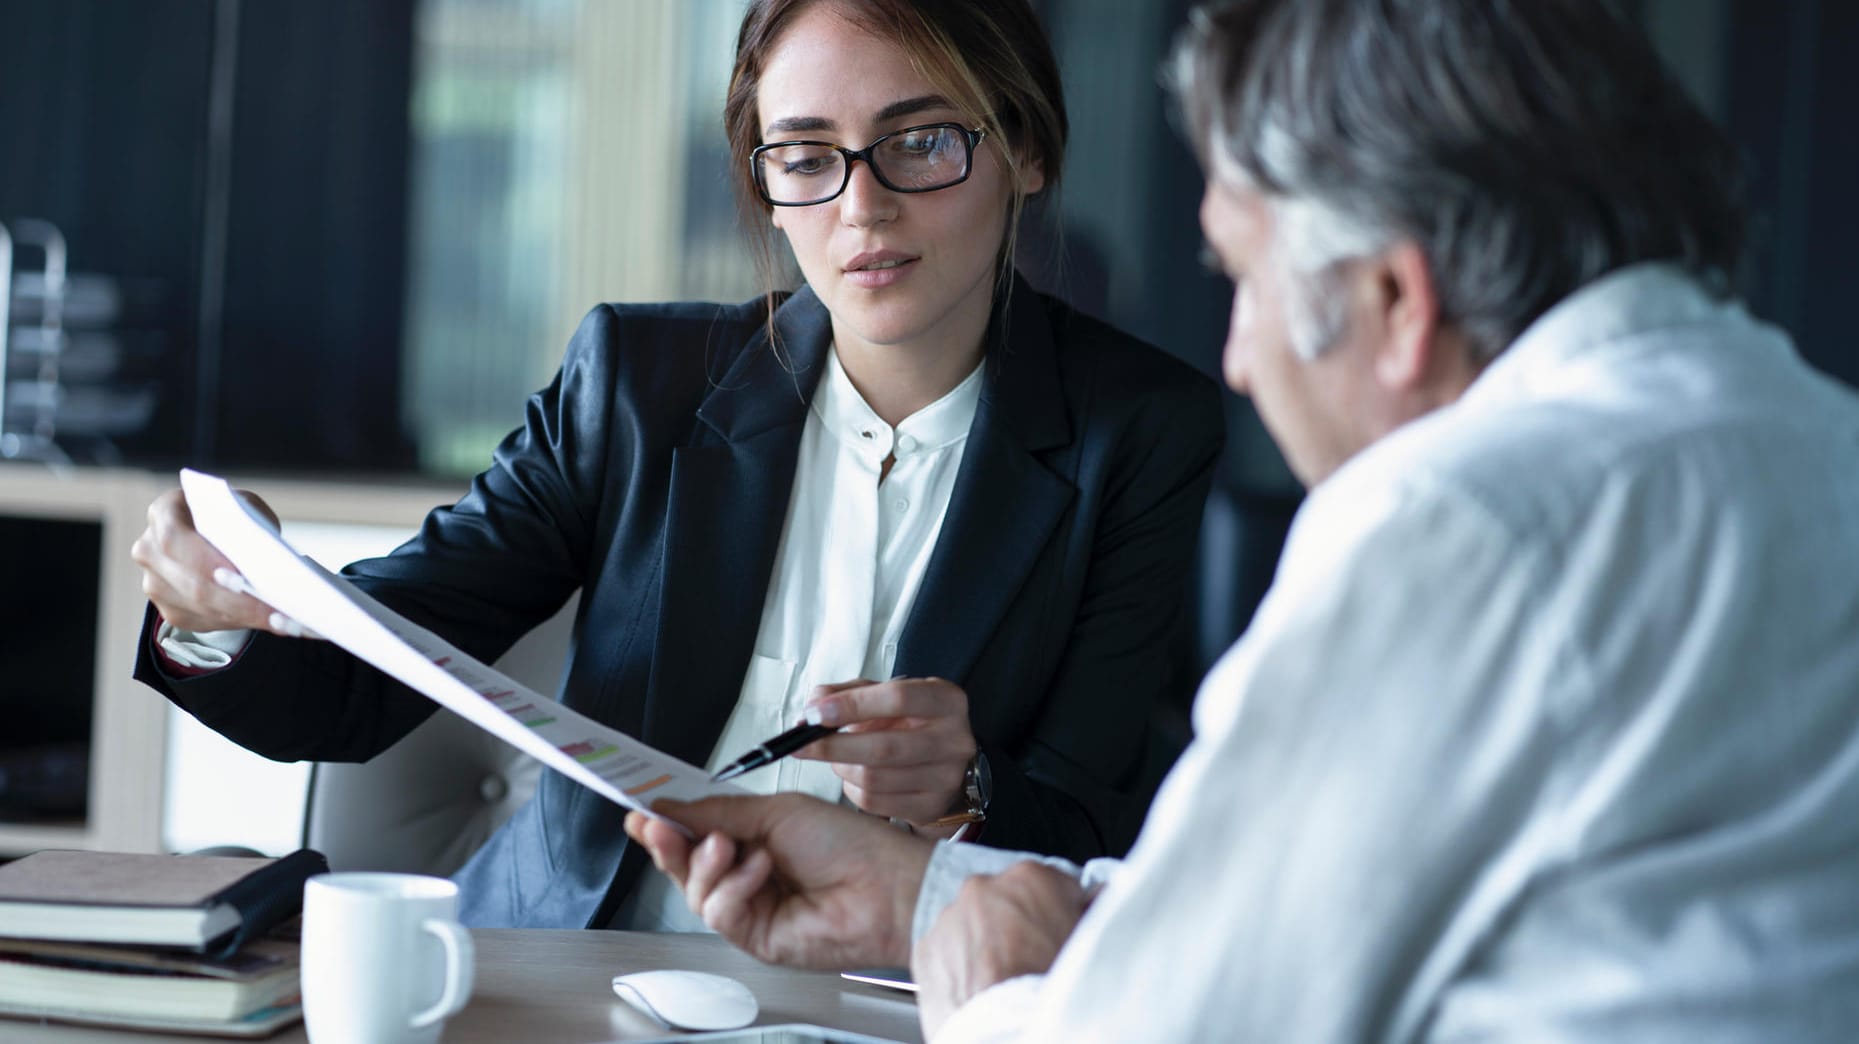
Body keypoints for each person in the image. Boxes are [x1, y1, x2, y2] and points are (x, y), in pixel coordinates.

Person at [626, 0, 1859, 1038]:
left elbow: (1177, 1026)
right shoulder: (1812, 442)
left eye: (1245, 279)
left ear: (1393, 298)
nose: (1241, 355)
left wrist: (982, 988)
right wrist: (929, 893)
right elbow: (1303, 912)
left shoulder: (1464, 522)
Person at [129, 0, 1222, 931]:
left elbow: (1093, 836)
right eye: (804, 156)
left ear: (1024, 151)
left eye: (921, 141)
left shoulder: (1137, 432)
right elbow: (355, 687)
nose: (859, 207)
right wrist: (217, 609)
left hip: (893, 998)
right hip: (567, 978)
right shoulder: (635, 385)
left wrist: (969, 789)